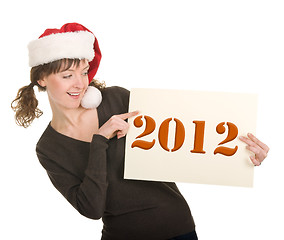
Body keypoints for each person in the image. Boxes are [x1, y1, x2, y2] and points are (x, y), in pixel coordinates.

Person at [11, 23, 269, 240]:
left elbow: (190, 138)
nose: (80, 83)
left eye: (84, 72)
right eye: (68, 75)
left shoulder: (117, 100)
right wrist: (100, 140)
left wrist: (242, 156)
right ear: (41, 78)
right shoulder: (49, 148)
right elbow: (91, 208)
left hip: (175, 228)